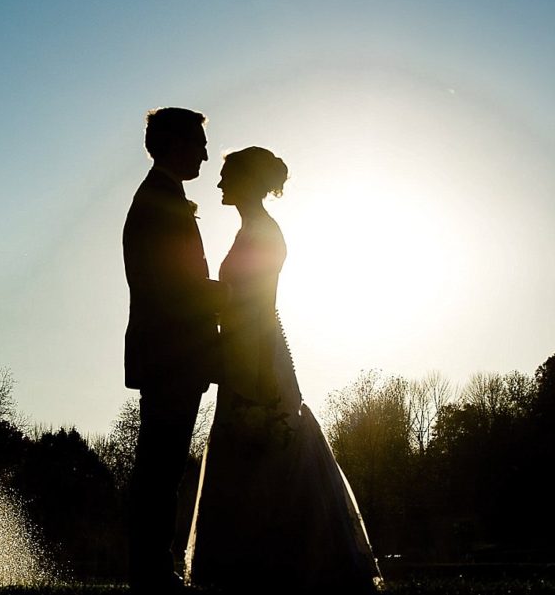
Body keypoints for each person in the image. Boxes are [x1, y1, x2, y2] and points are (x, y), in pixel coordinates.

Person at [185, 146, 382, 594]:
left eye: (226, 175)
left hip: (254, 351)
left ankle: (274, 562)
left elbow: (258, 305)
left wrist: (255, 372)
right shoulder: (250, 230)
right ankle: (250, 564)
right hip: (242, 348)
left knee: (267, 447)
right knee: (247, 456)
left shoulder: (264, 233)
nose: (218, 184)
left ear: (249, 181)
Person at [122, 107, 229, 592]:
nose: (206, 154)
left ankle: (151, 566)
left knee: (160, 464)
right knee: (160, 467)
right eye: (199, 143)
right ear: (176, 144)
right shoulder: (160, 202)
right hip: (171, 353)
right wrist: (238, 295)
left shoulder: (163, 197)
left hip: (169, 352)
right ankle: (150, 570)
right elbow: (176, 287)